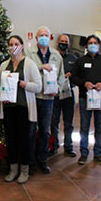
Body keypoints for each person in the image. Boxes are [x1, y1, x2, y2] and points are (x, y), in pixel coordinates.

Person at [0, 34, 42, 184]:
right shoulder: (4, 65)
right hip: (8, 107)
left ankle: (24, 170)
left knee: (24, 140)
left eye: (16, 43)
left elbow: (39, 86)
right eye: (10, 44)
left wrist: (24, 84)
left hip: (24, 108)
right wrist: (1, 91)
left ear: (21, 46)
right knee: (11, 139)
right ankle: (13, 169)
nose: (12, 46)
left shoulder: (29, 64)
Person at [28, 27, 63, 173]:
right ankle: (29, 162)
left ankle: (42, 160)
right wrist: (41, 67)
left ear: (50, 37)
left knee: (44, 130)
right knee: (30, 130)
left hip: (49, 99)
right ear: (36, 39)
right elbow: (27, 71)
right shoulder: (28, 54)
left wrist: (58, 90)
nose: (43, 37)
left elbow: (61, 77)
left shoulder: (56, 56)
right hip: (33, 97)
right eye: (41, 35)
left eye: (46, 35)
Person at [71, 34, 101, 165]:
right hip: (85, 98)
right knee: (84, 127)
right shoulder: (80, 61)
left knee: (100, 127)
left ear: (98, 45)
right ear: (86, 46)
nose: (92, 45)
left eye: (95, 43)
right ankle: (83, 154)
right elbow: (73, 77)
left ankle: (98, 154)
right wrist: (84, 83)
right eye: (90, 43)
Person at [52, 33, 77, 156]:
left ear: (69, 44)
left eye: (65, 41)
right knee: (54, 122)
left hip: (68, 94)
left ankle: (68, 146)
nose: (63, 43)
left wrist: (72, 76)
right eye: (61, 41)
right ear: (57, 42)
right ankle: (54, 146)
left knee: (69, 122)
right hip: (55, 94)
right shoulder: (52, 57)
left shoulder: (73, 59)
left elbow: (79, 77)